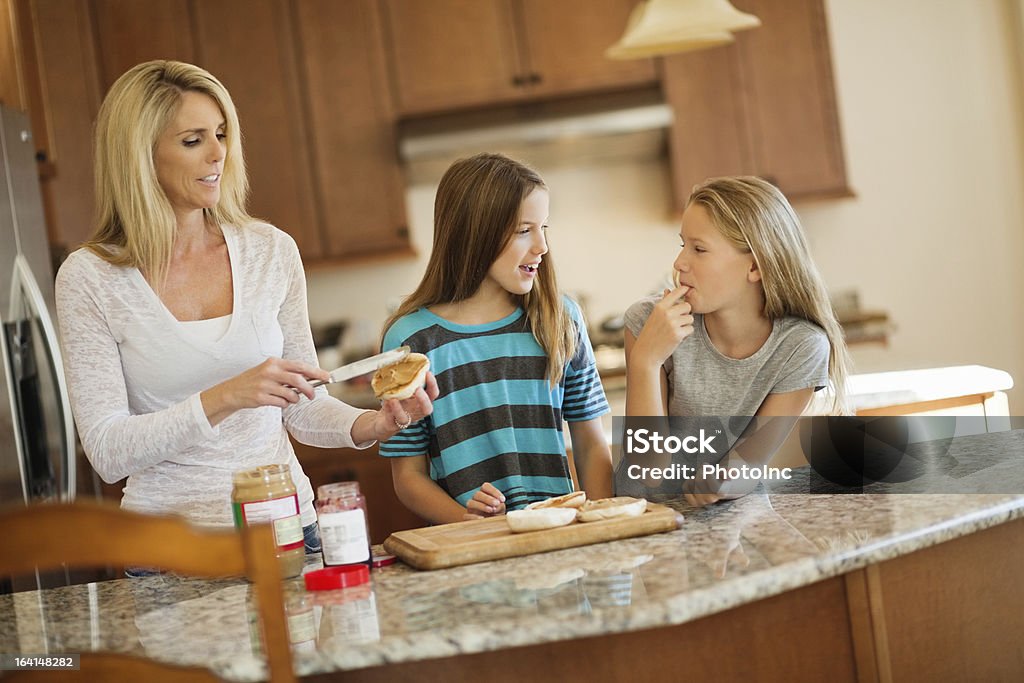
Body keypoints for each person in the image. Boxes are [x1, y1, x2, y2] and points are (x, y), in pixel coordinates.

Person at [54, 60, 437, 550]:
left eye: (221, 133)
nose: (219, 154)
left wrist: (375, 424)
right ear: (138, 157)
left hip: (287, 532)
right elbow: (108, 451)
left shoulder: (270, 251)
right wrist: (229, 394)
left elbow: (304, 410)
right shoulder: (91, 277)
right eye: (193, 141)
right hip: (168, 551)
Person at [378, 153, 613, 524]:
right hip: (475, 557)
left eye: (543, 228)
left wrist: (602, 528)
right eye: (524, 230)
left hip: (563, 541)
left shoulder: (560, 318)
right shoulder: (411, 340)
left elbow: (591, 444)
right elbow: (408, 477)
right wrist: (469, 523)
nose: (542, 246)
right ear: (476, 232)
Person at [623, 176, 850, 505]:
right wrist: (646, 361)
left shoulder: (800, 347)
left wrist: (723, 481)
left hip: (737, 523)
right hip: (650, 524)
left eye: (699, 249)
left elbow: (749, 465)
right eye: (682, 244)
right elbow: (648, 472)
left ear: (755, 266)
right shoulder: (648, 323)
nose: (679, 263)